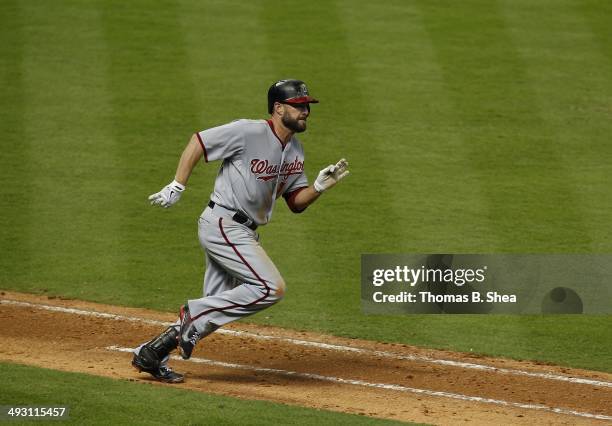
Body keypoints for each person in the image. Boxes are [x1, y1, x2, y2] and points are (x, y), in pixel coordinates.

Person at [131, 79, 349, 383]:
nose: (305, 112)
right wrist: (178, 184)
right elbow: (199, 141)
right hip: (223, 224)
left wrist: (318, 187)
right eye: (299, 106)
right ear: (278, 108)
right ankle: (191, 315)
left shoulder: (295, 151)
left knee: (214, 309)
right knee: (270, 287)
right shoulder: (248, 132)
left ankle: (151, 353)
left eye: (307, 107)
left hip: (244, 232)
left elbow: (296, 203)